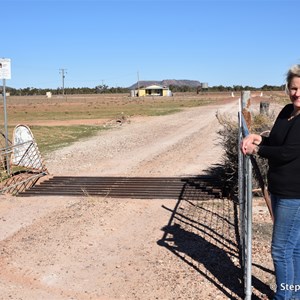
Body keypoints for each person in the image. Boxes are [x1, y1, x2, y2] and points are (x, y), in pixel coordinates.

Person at [241, 64, 300, 300]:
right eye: (293, 88)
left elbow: (286, 152)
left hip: (293, 194)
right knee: (294, 248)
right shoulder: (287, 110)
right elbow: (276, 140)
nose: (296, 93)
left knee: (280, 249)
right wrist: (259, 137)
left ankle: (284, 297)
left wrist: (257, 149)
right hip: (280, 188)